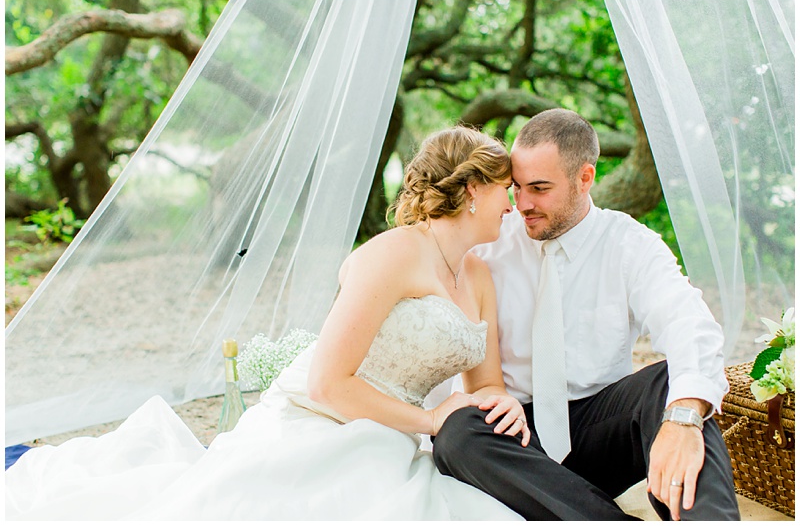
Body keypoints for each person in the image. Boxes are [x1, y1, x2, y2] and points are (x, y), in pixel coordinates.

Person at [6, 126, 532, 520]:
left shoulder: (480, 273)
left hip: (396, 433)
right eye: (506, 189)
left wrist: (500, 400)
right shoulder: (391, 256)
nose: (513, 205)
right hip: (324, 419)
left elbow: (483, 384)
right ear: (471, 192)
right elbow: (329, 384)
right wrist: (433, 422)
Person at [431, 108, 740, 521]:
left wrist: (683, 418)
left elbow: (688, 322)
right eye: (516, 187)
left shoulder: (630, 243)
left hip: (600, 425)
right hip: (515, 435)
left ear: (585, 178)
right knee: (456, 434)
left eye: (539, 188)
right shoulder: (489, 241)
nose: (522, 204)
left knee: (675, 387)